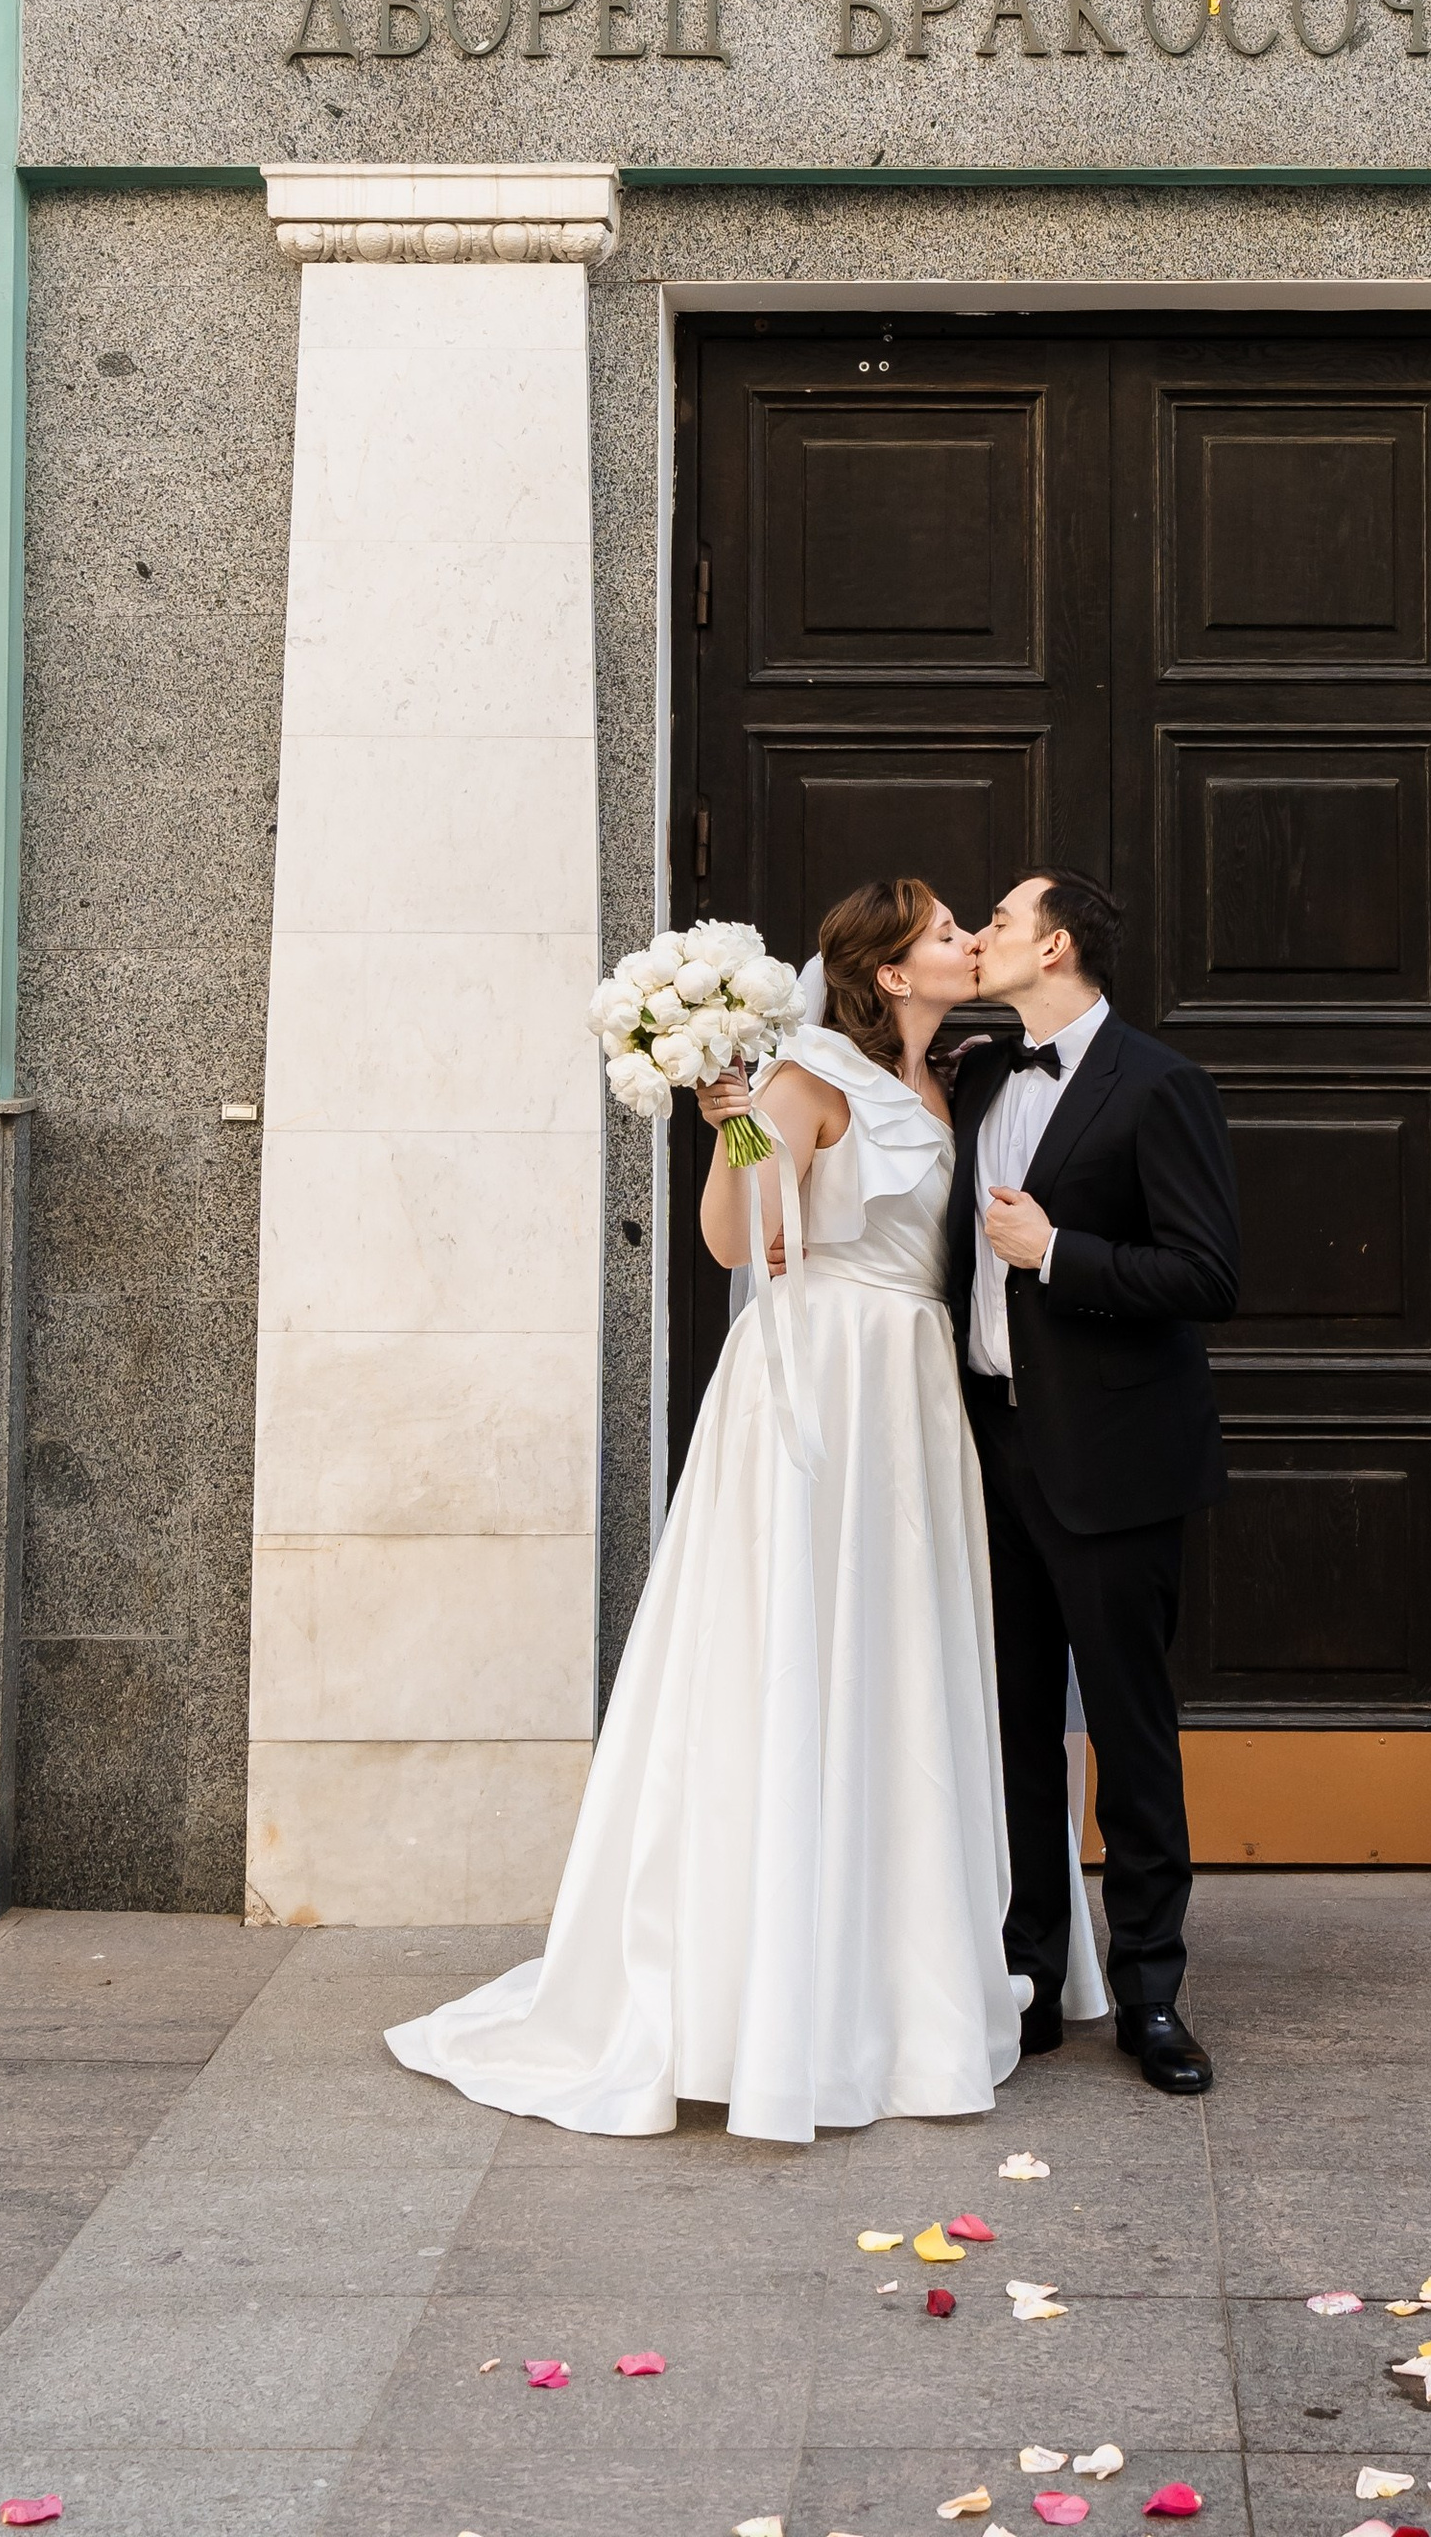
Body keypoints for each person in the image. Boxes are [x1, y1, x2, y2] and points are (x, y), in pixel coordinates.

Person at [386, 878, 1101, 2141]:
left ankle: (903, 1949)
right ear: (888, 972)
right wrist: (735, 1129)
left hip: (915, 1392)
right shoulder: (810, 1074)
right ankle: (773, 1985)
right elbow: (738, 1243)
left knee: (898, 1665)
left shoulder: (959, 1077)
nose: (966, 944)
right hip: (824, 1381)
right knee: (795, 1651)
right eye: (945, 933)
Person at [949, 871, 1241, 2095]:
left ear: (1056, 945)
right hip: (987, 1449)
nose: (983, 937)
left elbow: (1207, 1275)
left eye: (1002, 923)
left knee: (1129, 1732)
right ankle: (1026, 1981)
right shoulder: (971, 1073)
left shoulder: (1158, 1084)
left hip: (1116, 1458)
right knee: (1012, 1728)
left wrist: (1058, 1252)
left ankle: (1152, 1996)